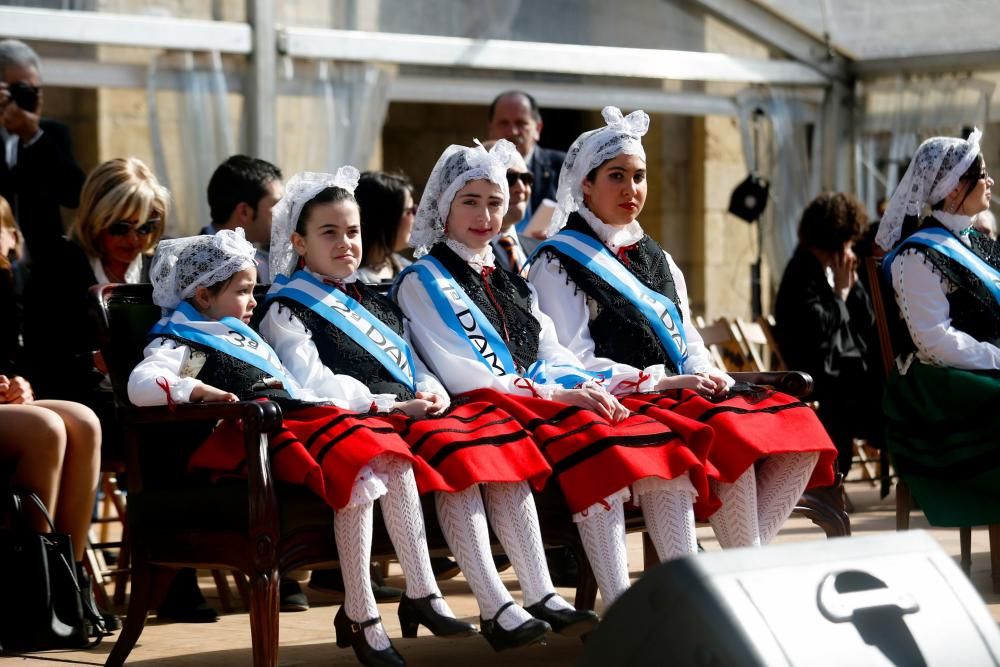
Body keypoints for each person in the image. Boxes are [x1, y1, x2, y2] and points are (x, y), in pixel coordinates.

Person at [263, 169, 597, 653]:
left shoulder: (372, 299)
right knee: (457, 446)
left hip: (409, 415)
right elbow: (312, 382)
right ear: (298, 241)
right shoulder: (287, 307)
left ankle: (532, 594)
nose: (344, 244)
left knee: (480, 440)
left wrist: (431, 388)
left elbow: (413, 358)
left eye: (352, 231)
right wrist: (392, 403)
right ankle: (461, 601)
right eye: (328, 233)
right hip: (356, 421)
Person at [128, 228, 476, 665]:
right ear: (202, 295)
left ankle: (420, 591)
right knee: (362, 465)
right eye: (243, 291)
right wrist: (198, 392)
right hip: (251, 447)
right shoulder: (183, 338)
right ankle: (363, 614)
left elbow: (303, 393)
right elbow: (141, 384)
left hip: (295, 429)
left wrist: (388, 404)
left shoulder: (245, 333)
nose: (254, 301)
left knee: (391, 457)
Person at [395, 139, 713, 609]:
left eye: (495, 204)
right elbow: (467, 376)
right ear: (443, 207)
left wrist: (579, 385)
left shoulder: (507, 278)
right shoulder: (423, 280)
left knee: (647, 440)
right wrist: (558, 395)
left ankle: (692, 600)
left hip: (538, 402)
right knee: (607, 441)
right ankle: (616, 600)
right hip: (496, 410)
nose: (485, 215)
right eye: (470, 202)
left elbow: (550, 347)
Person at [527, 107, 836, 553]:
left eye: (639, 176)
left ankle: (728, 570)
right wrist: (664, 380)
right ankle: (734, 573)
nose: (631, 189)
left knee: (796, 429)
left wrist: (702, 368)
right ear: (586, 186)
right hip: (625, 401)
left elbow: (686, 334)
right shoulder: (556, 261)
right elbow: (573, 360)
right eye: (616, 176)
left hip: (680, 393)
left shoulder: (658, 258)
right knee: (726, 433)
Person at [875, 128, 1000, 526]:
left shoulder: (973, 241)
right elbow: (934, 342)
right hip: (937, 384)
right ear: (952, 190)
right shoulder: (918, 255)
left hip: (972, 370)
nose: (990, 181)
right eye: (981, 175)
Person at [774, 192, 883, 476]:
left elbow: (867, 321)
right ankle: (836, 476)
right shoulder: (802, 271)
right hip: (811, 367)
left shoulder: (829, 269)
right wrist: (840, 295)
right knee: (854, 387)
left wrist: (852, 288)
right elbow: (817, 327)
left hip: (834, 362)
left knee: (882, 372)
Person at [0, 39, 85, 263]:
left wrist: (34, 136)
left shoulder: (52, 134)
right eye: (19, 90)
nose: (28, 96)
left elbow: (74, 194)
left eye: (34, 89)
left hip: (45, 265)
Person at [204, 154, 283, 283]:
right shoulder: (193, 268)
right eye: (277, 205)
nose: (284, 213)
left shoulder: (266, 262)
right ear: (244, 212)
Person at [487, 91, 563, 223]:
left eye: (521, 123)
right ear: (491, 128)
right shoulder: (474, 171)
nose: (513, 132)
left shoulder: (565, 168)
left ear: (538, 129)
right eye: (504, 123)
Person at [481, 141, 533, 274]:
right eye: (509, 178)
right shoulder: (464, 253)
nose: (521, 188)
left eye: (526, 178)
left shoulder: (539, 249)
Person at [355, 170, 415, 283]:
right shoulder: (347, 282)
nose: (414, 218)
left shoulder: (408, 270)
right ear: (383, 218)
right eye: (408, 211)